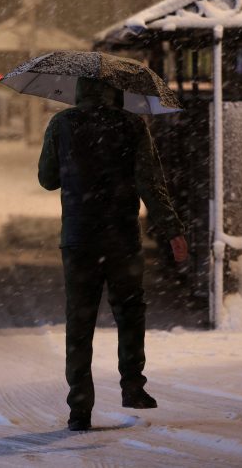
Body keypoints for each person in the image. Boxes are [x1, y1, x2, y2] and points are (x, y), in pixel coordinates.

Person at [38, 77, 188, 432]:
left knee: (79, 323)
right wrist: (173, 230)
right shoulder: (131, 124)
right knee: (130, 313)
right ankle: (133, 386)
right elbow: (150, 182)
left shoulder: (62, 123)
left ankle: (79, 410)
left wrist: (73, 162)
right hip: (121, 237)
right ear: (117, 91)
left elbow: (47, 179)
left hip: (78, 238)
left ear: (78, 89)